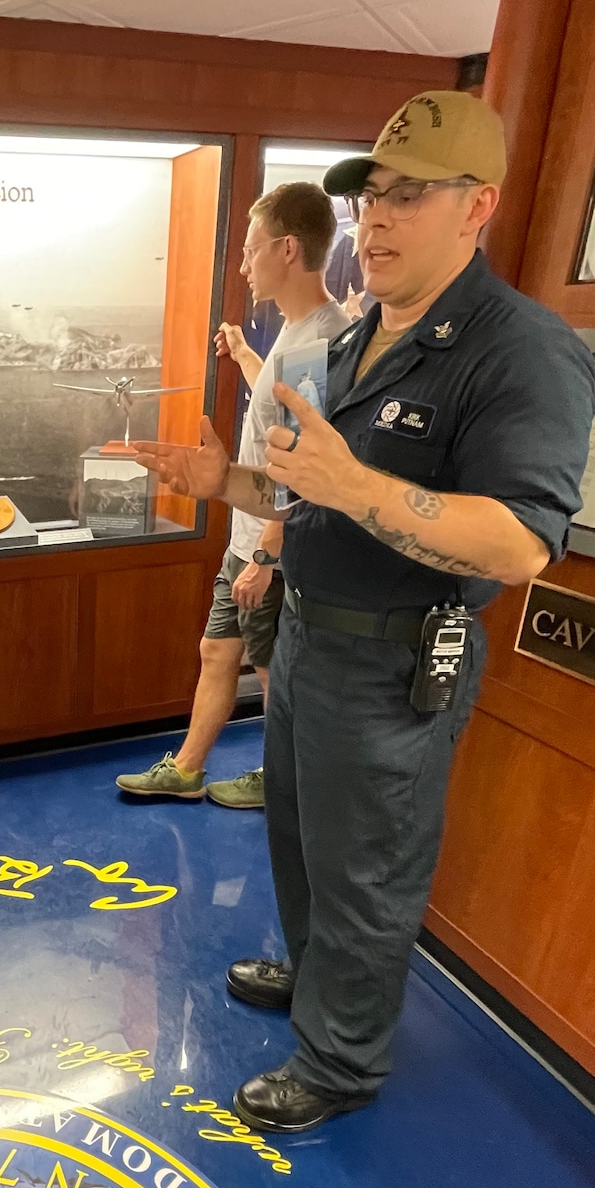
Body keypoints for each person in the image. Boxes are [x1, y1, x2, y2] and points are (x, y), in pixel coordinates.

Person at [134, 91, 595, 1133]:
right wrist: (224, 482)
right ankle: (310, 977)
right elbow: (303, 494)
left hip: (394, 663)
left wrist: (356, 490)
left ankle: (339, 1063)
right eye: (368, 197)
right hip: (309, 635)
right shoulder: (356, 342)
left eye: (408, 196)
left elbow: (522, 544)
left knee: (364, 872)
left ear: (477, 206)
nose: (375, 220)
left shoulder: (518, 350)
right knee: (297, 839)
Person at [116, 182, 349, 809]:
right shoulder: (299, 334)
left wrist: (266, 557)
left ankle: (280, 779)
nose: (243, 266)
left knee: (274, 671)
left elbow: (305, 473)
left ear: (287, 249)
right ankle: (189, 769)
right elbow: (285, 408)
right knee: (218, 650)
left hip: (267, 547)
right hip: (247, 536)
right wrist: (247, 355)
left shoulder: (315, 343)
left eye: (250, 251)